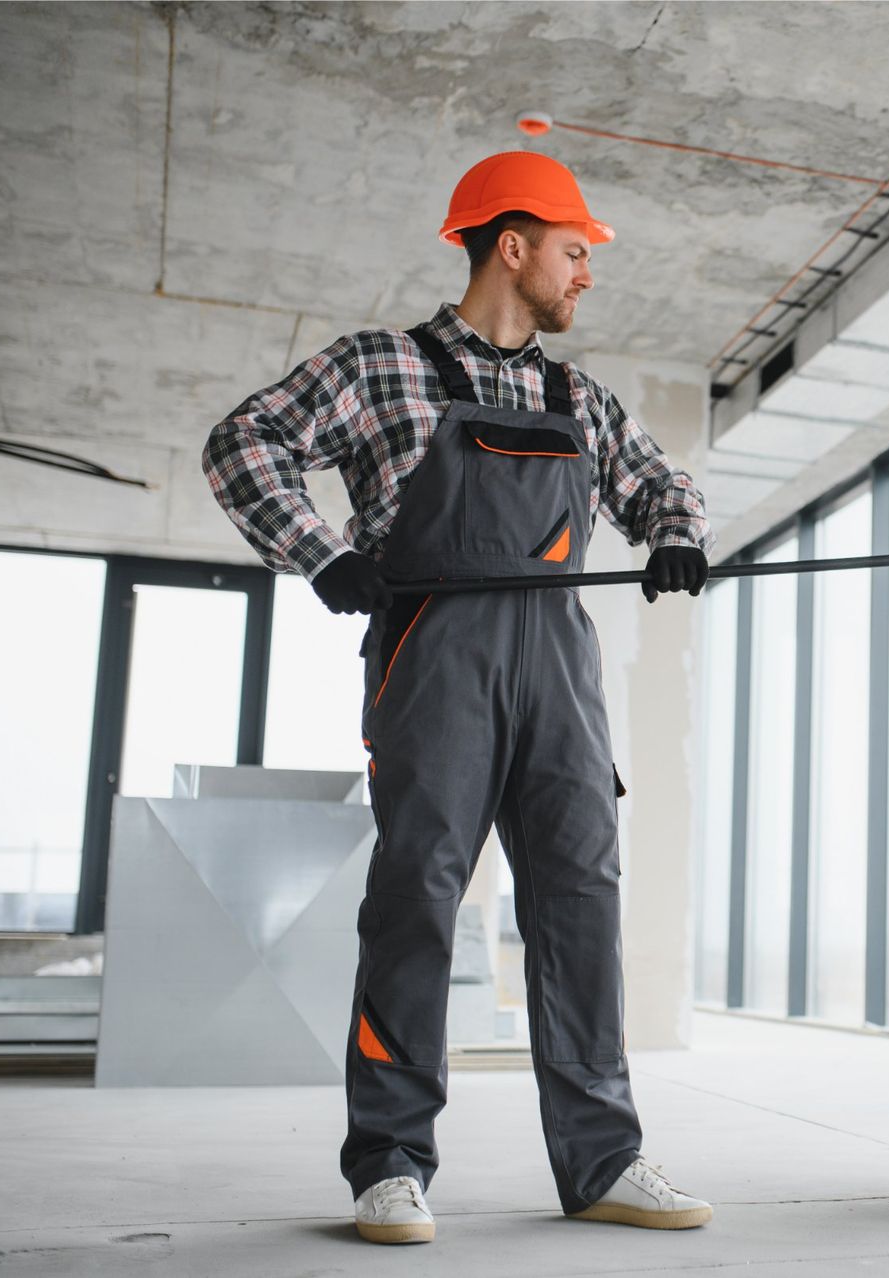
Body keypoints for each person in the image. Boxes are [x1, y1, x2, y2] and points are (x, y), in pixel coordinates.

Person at [203, 150, 714, 1245]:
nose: (587, 274)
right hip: (435, 662)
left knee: (581, 904)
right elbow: (243, 443)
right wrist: (320, 554)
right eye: (575, 252)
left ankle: (605, 1159)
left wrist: (674, 536)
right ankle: (389, 1162)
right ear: (512, 244)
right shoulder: (382, 365)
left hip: (560, 675)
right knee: (416, 904)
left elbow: (662, 483)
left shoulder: (579, 395)